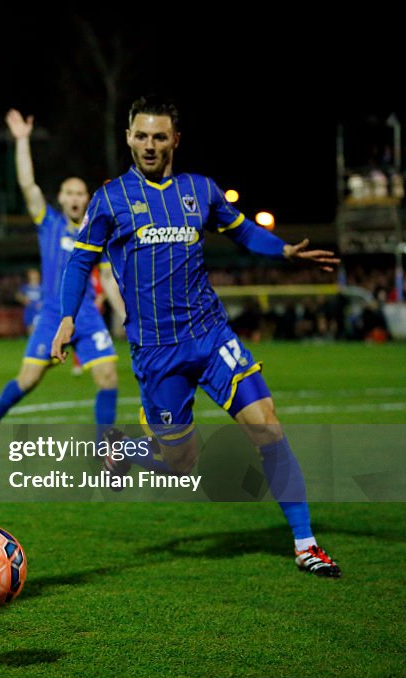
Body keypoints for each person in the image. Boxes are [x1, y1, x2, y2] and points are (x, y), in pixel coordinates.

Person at [52, 95, 342, 577]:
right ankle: (126, 449)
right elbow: (81, 260)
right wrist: (67, 319)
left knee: (267, 424)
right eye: (141, 136)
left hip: (211, 336)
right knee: (180, 461)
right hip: (157, 352)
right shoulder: (109, 200)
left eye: (159, 136)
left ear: (175, 140)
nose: (149, 145)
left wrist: (285, 249)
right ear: (128, 138)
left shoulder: (200, 191)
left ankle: (306, 544)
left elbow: (244, 232)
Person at [0, 109, 125, 454]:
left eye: (80, 193)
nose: (75, 198)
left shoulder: (95, 235)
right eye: (69, 193)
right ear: (61, 198)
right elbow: (28, 184)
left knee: (109, 378)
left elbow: (108, 280)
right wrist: (23, 141)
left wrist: (125, 315)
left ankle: (107, 454)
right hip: (52, 315)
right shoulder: (50, 223)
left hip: (85, 315)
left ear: (86, 200)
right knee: (27, 380)